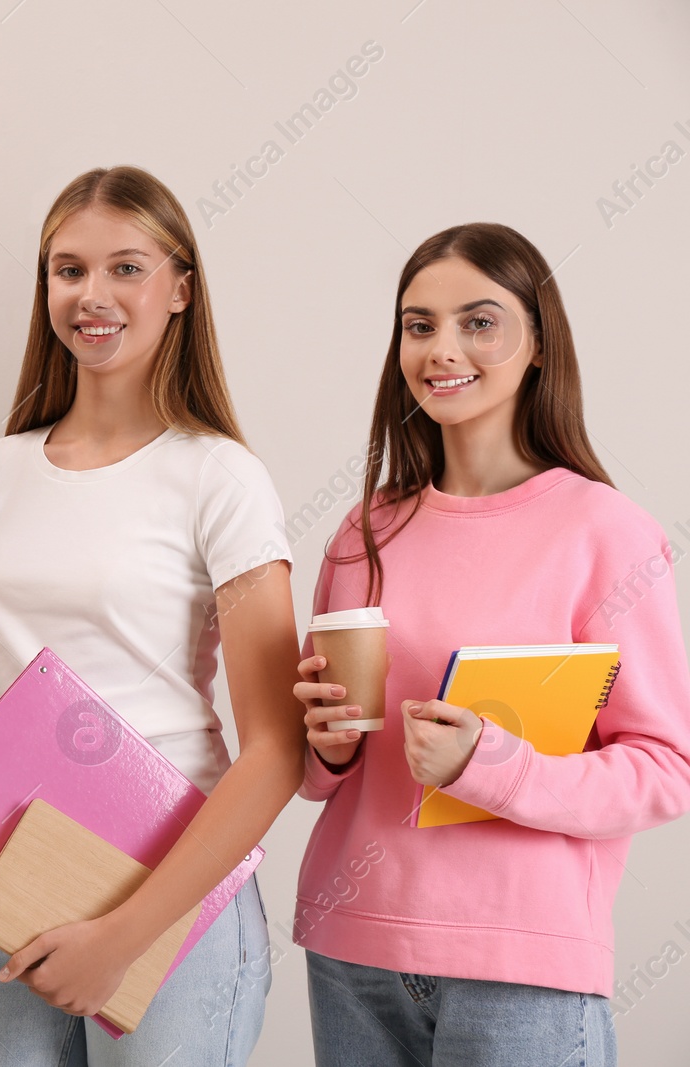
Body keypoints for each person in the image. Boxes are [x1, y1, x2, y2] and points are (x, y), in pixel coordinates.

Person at [0, 165, 305, 1067]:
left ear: (181, 289)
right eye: (67, 269)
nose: (93, 294)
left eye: (127, 267)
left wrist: (124, 935)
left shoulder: (220, 477)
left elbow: (278, 746)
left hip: (171, 891)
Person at [294, 222, 690, 1066]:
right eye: (419, 323)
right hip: (354, 949)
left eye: (479, 321)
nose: (443, 348)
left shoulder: (605, 533)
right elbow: (320, 774)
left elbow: (666, 766)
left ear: (539, 344)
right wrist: (324, 749)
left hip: (523, 966)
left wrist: (493, 764)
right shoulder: (362, 532)